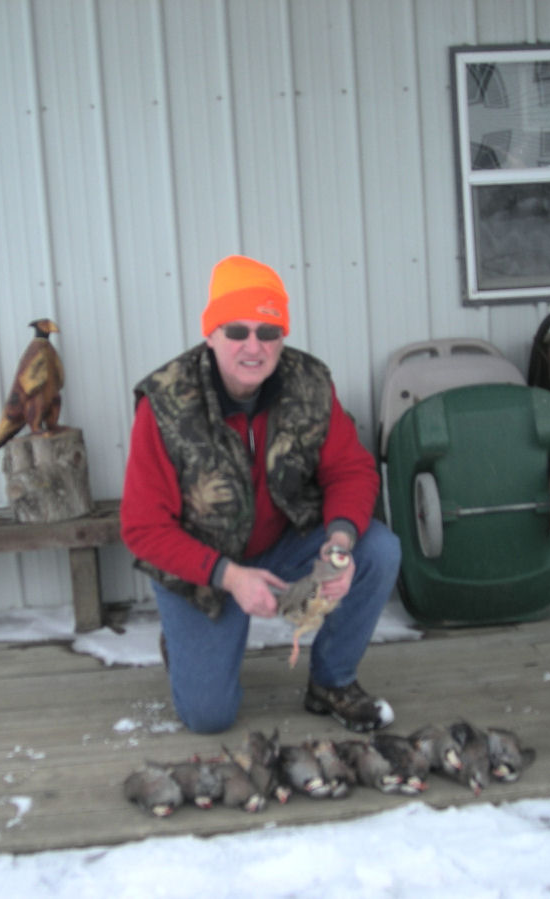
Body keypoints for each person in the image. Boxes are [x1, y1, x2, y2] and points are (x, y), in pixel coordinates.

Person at [121, 254, 402, 734]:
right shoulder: (165, 403)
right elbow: (143, 527)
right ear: (211, 335)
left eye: (267, 331)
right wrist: (229, 577)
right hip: (203, 568)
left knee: (377, 549)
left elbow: (350, 469)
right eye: (236, 331)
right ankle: (186, 641)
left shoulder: (309, 383)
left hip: (285, 542)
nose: (254, 346)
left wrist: (338, 545)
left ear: (281, 337)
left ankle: (331, 683)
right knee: (209, 717)